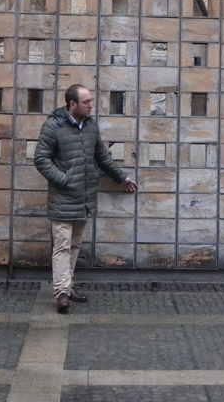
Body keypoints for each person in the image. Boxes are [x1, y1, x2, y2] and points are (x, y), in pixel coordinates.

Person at [34, 84, 136, 313]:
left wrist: (121, 178)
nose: (91, 105)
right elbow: (41, 159)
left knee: (74, 245)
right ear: (73, 104)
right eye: (86, 102)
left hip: (84, 199)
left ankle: (68, 286)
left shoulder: (90, 126)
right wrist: (65, 180)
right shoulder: (53, 126)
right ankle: (61, 292)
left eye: (91, 101)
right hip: (63, 198)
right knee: (62, 246)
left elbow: (102, 157)